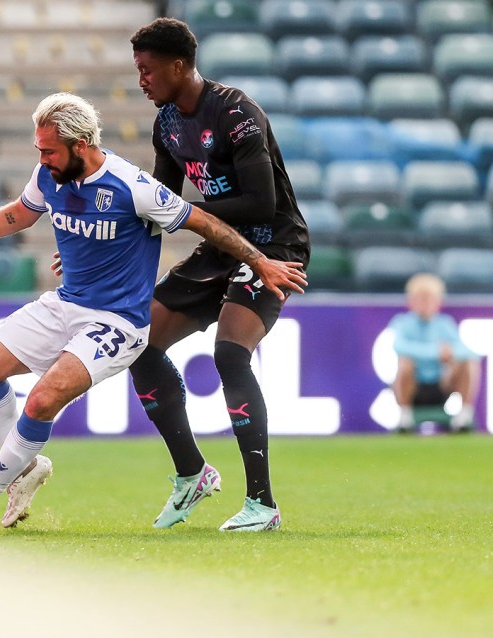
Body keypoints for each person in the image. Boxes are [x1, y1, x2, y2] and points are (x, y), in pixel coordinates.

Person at [0, 92, 308, 535]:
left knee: (41, 400)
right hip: (65, 303)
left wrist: (260, 261)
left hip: (116, 322)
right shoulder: (50, 174)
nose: (41, 159)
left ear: (80, 145)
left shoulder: (133, 186)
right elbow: (19, 216)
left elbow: (203, 223)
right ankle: (25, 467)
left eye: (48, 150)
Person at [120, 17, 312, 532]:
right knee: (140, 343)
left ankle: (262, 505)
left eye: (148, 69)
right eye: (138, 69)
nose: (141, 79)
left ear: (178, 66)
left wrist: (186, 212)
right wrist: (105, 246)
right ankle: (192, 474)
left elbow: (259, 201)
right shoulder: (167, 122)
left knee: (229, 352)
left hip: (273, 244)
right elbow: (156, 203)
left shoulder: (235, 112)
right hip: (219, 247)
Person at [390, 272, 480, 434]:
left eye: (429, 298)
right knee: (405, 362)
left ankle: (464, 415)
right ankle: (405, 416)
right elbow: (399, 346)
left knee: (467, 363)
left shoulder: (445, 324)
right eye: (420, 298)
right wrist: (436, 352)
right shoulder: (402, 323)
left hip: (442, 385)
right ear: (411, 302)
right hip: (414, 387)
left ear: (438, 302)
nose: (424, 303)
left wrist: (450, 353)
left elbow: (467, 351)